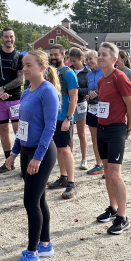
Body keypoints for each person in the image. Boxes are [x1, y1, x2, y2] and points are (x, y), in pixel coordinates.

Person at [4, 50, 60, 261]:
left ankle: (32, 253)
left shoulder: (48, 91)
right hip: (27, 151)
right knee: (39, 199)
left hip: (42, 153)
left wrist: (37, 157)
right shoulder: (27, 93)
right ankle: (45, 244)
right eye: (23, 66)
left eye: (28, 65)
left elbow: (50, 127)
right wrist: (13, 153)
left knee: (30, 202)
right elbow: (22, 128)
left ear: (41, 68)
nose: (24, 69)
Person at [95, 42, 131, 234]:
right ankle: (112, 208)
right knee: (107, 172)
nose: (100, 57)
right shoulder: (101, 81)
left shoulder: (120, 77)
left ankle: (123, 216)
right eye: (99, 54)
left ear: (114, 59)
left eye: (104, 55)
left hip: (117, 130)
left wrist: (127, 130)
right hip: (102, 129)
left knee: (114, 174)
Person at [0, 28, 25, 173]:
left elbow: (21, 78)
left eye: (11, 37)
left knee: (19, 130)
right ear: (2, 38)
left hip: (14, 99)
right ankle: (9, 162)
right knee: (3, 130)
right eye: (6, 37)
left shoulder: (20, 57)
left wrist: (4, 89)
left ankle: (24, 163)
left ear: (14, 38)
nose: (9, 39)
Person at [46, 44, 79, 199]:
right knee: (59, 149)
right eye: (51, 54)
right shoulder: (50, 73)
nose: (53, 57)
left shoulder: (69, 73)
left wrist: (68, 118)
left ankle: (71, 184)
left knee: (66, 149)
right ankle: (63, 177)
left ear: (63, 56)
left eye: (56, 55)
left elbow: (74, 98)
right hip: (53, 118)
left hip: (64, 118)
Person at [68, 48, 89, 170]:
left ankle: (84, 159)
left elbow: (88, 89)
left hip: (80, 103)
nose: (73, 63)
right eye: (71, 61)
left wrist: (76, 91)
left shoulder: (87, 72)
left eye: (75, 61)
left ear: (81, 59)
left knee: (81, 133)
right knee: (69, 133)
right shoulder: (68, 71)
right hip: (69, 104)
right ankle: (69, 157)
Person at [84, 51, 105, 175]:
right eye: (86, 60)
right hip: (92, 107)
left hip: (104, 107)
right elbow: (88, 89)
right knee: (94, 138)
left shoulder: (104, 71)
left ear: (97, 58)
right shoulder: (88, 75)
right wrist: (89, 94)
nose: (88, 62)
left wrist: (97, 92)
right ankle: (99, 164)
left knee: (105, 137)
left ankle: (107, 166)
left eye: (90, 59)